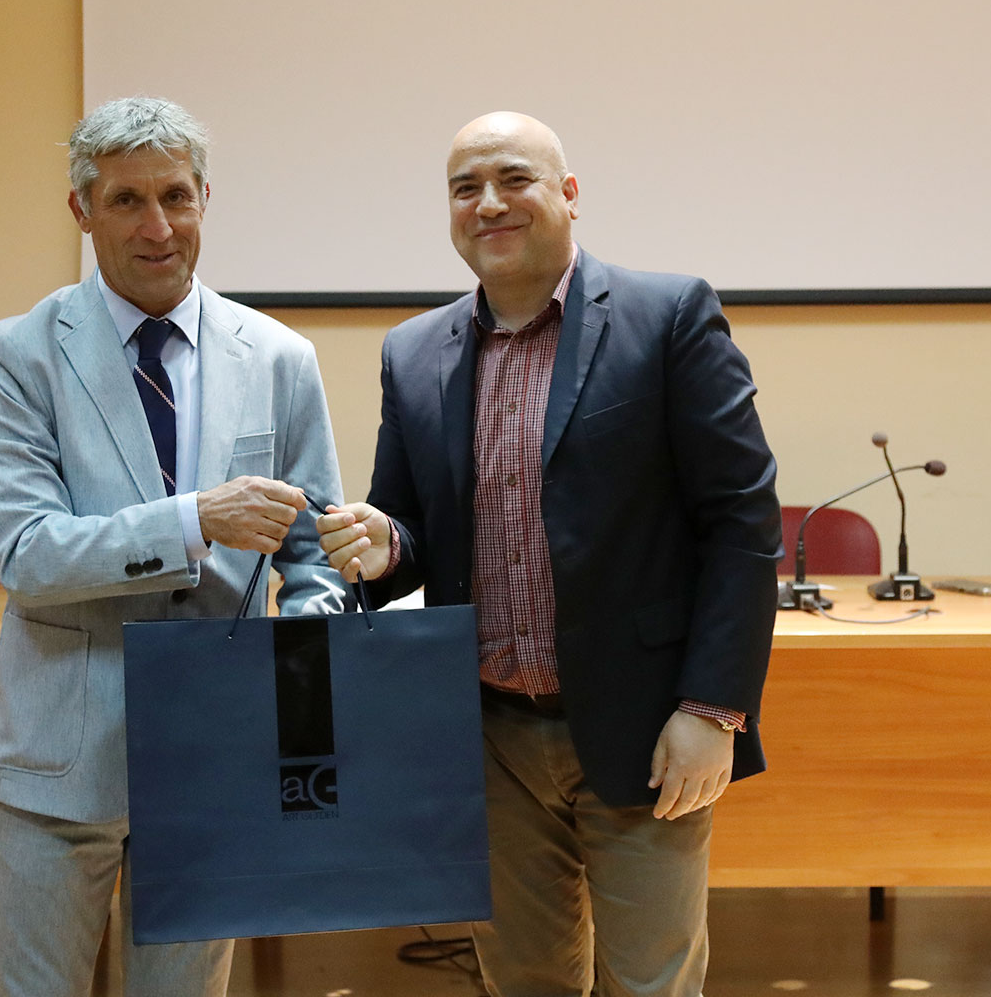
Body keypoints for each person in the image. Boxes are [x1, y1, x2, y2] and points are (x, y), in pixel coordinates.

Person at [316, 112, 781, 997]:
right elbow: (410, 533)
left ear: (569, 194)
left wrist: (714, 708)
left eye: (513, 178)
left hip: (648, 729)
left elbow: (741, 522)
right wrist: (383, 545)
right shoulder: (413, 353)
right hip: (487, 739)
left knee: (651, 983)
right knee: (523, 982)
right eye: (465, 188)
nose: (488, 203)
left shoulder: (668, 316)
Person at [0, 96, 346, 997]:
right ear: (81, 209)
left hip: (218, 755)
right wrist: (193, 521)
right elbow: (27, 555)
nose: (158, 227)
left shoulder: (280, 357)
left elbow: (313, 556)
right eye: (127, 200)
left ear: (206, 197)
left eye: (175, 196)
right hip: (64, 760)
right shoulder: (17, 355)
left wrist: (304, 679)